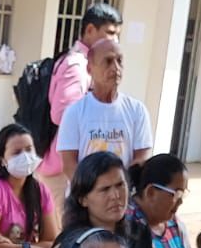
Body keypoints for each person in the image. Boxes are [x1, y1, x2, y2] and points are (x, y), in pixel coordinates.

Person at [38, 1, 122, 205]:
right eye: (110, 33)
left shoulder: (83, 61)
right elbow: (62, 113)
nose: (115, 39)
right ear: (90, 30)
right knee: (67, 231)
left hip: (68, 167)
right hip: (62, 170)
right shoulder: (78, 65)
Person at [55, 38, 153, 184]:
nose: (115, 68)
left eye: (119, 61)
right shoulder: (74, 113)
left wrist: (120, 188)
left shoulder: (137, 111)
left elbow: (142, 157)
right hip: (85, 199)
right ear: (90, 69)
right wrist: (91, 193)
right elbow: (69, 165)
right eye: (108, 61)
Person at [0, 123, 60, 248]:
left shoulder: (40, 190)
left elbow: (52, 241)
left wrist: (15, 246)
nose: (25, 157)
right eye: (17, 152)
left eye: (29, 149)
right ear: (2, 159)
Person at [126, 154, 196, 248]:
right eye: (177, 194)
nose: (180, 202)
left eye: (183, 195)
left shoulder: (175, 224)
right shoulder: (127, 226)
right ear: (151, 192)